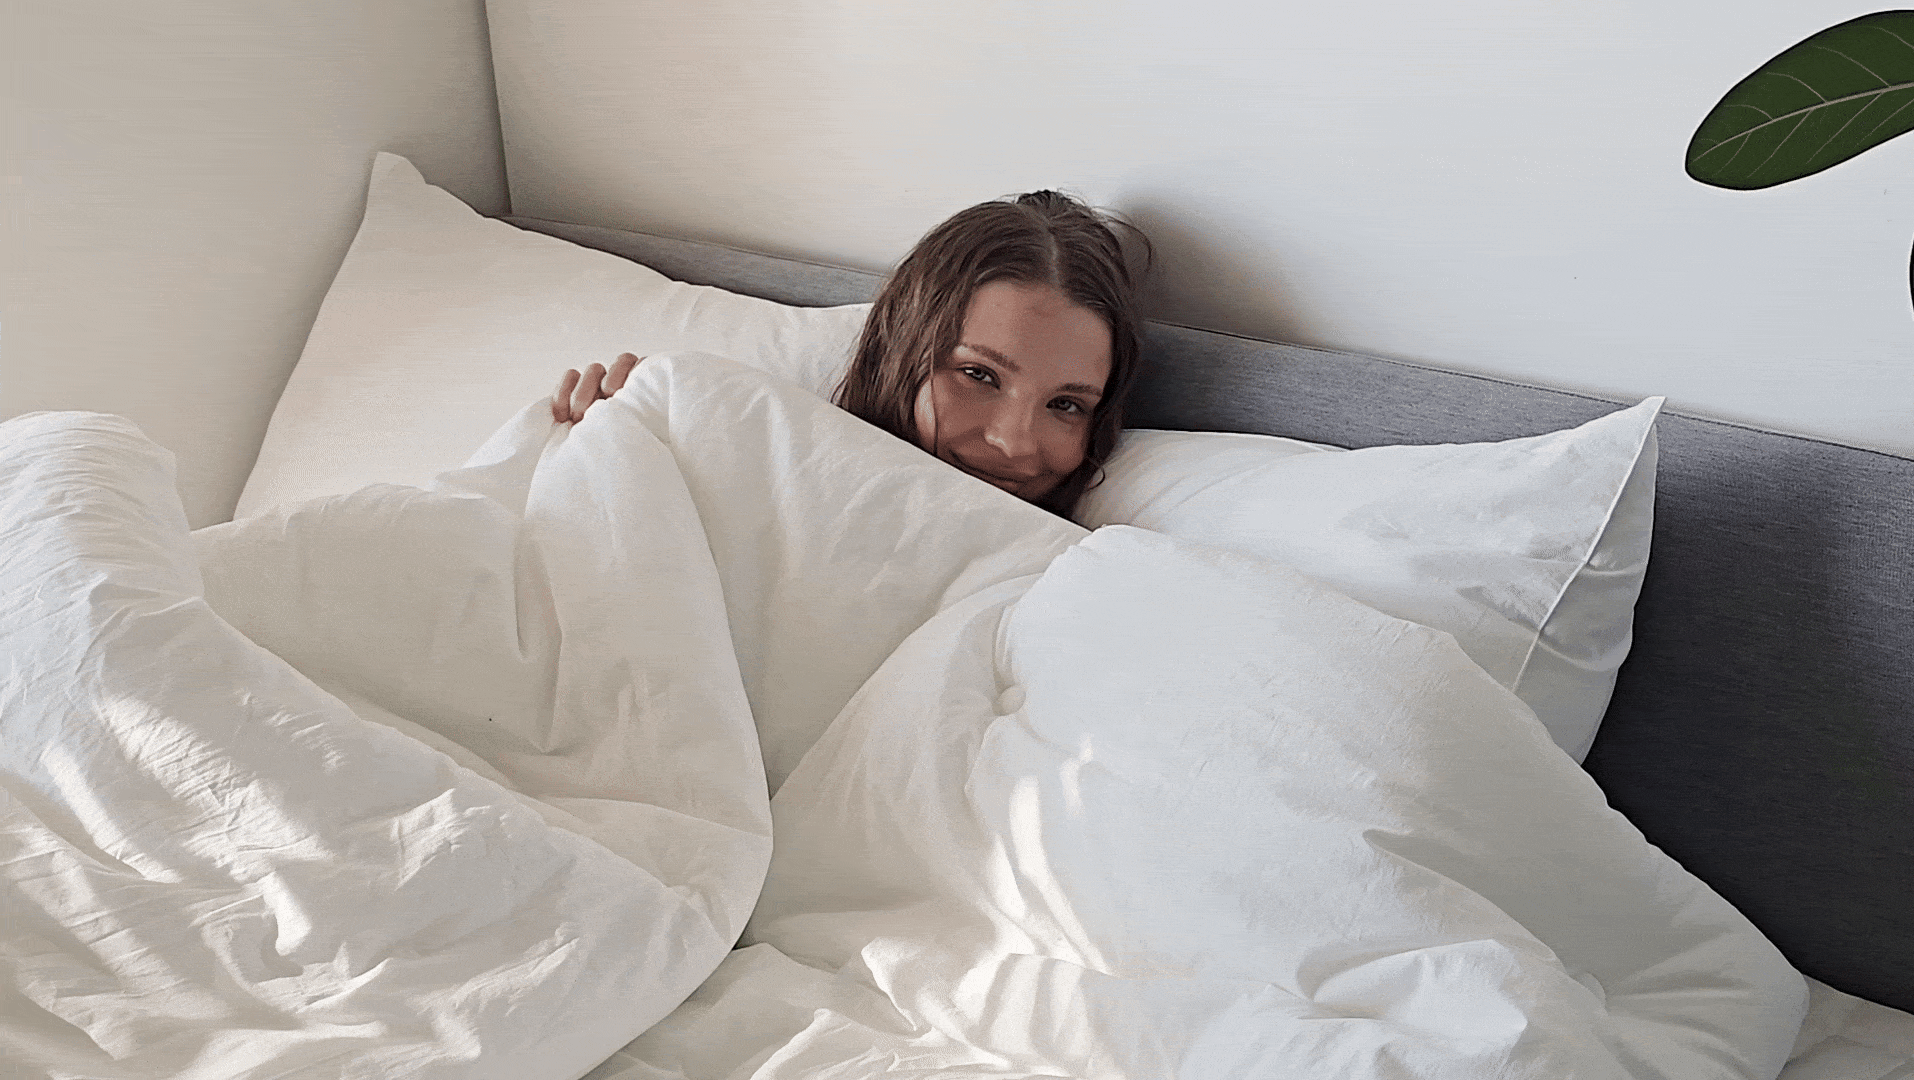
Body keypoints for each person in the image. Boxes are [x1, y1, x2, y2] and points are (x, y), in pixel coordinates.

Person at [552, 191, 1149, 518]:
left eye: (1066, 405)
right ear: (898, 352)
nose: (1015, 443)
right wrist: (626, 451)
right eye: (978, 374)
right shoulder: (771, 475)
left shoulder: (1076, 570)